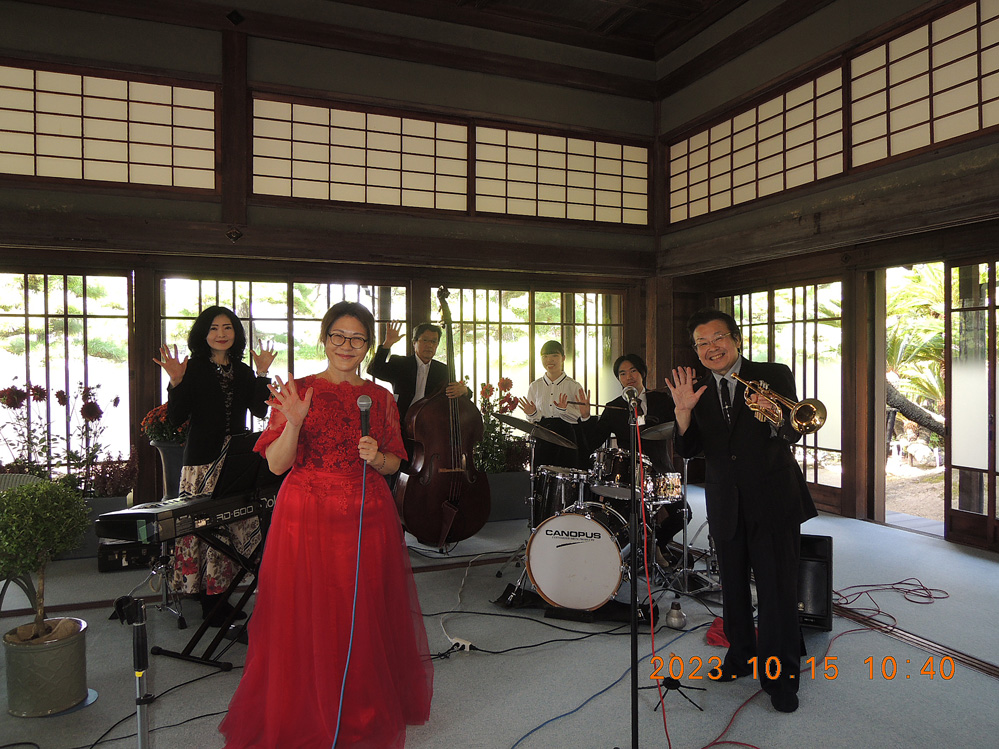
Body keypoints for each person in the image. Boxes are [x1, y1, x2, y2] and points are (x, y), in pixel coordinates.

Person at [219, 301, 432, 748]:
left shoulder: (380, 398)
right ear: (324, 337)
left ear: (368, 345)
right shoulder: (297, 391)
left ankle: (361, 704)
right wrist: (294, 424)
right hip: (306, 514)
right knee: (305, 611)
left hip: (366, 513)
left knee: (364, 609)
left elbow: (396, 461)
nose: (346, 345)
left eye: (357, 338)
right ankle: (305, 702)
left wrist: (378, 457)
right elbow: (276, 465)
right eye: (338, 335)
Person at [665, 309, 816, 714]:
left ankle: (781, 676)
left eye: (718, 338)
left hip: (773, 498)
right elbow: (689, 449)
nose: (711, 348)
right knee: (731, 587)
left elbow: (793, 432)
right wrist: (683, 412)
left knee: (777, 590)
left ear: (736, 339)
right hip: (724, 501)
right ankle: (740, 656)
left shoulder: (773, 373)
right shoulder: (695, 387)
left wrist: (776, 414)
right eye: (701, 343)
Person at [154, 305, 275, 626]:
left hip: (235, 459)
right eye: (214, 328)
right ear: (203, 334)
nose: (221, 334)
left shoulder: (243, 370)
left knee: (231, 527)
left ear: (236, 333)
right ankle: (209, 601)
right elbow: (176, 418)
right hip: (202, 461)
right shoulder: (192, 368)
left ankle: (220, 595)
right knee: (205, 530)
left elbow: (259, 411)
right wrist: (176, 381)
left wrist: (262, 374)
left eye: (227, 328)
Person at [579, 354, 687, 561]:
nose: (628, 377)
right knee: (625, 519)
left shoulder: (662, 400)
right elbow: (593, 441)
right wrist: (585, 417)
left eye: (633, 371)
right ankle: (630, 555)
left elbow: (680, 426)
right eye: (622, 373)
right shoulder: (613, 407)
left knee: (682, 514)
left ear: (642, 373)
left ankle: (655, 544)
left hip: (661, 471)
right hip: (628, 475)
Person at [367, 321, 470, 472]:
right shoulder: (401, 363)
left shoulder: (443, 370)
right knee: (399, 467)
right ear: (414, 342)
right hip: (401, 425)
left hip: (430, 429)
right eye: (425, 340)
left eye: (434, 341)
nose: (429, 345)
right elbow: (374, 369)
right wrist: (387, 344)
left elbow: (457, 393)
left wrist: (465, 390)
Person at [519, 340, 589, 469]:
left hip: (566, 435)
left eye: (554, 356)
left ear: (563, 358)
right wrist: (532, 413)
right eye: (545, 356)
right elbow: (531, 419)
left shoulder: (573, 386)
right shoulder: (535, 386)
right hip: (542, 436)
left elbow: (580, 416)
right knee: (541, 474)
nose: (549, 360)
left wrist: (564, 410)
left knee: (566, 472)